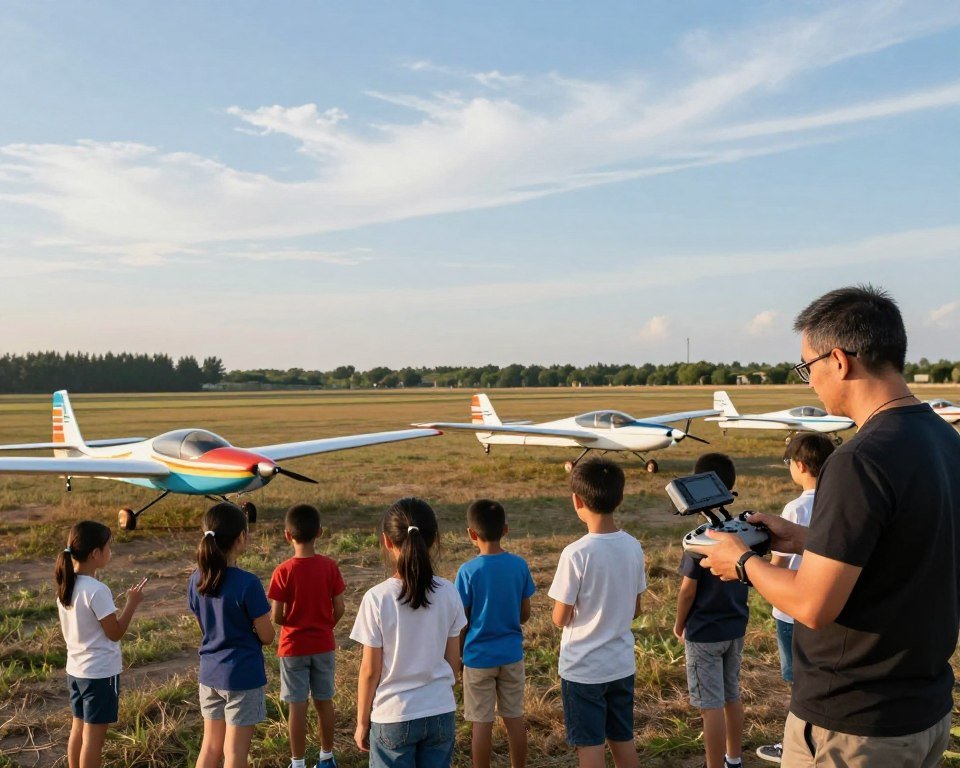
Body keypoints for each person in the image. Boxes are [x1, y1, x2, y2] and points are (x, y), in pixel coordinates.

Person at [693, 285, 960, 768]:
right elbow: (911, 550)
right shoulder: (944, 440)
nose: (809, 381)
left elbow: (813, 605)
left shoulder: (860, 460)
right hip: (923, 710)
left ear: (838, 360)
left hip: (855, 726)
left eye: (806, 366)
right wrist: (807, 540)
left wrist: (743, 561)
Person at [350, 497, 467, 768]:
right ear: (434, 540)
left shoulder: (376, 598)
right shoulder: (449, 592)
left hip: (393, 715)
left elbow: (370, 671)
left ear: (387, 541)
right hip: (440, 711)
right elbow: (453, 663)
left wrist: (361, 721)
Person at [548, 458, 645, 768]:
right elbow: (636, 609)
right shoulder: (633, 546)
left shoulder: (576, 553)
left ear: (577, 501)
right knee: (622, 739)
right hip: (620, 664)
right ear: (619, 498)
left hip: (583, 669)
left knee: (590, 746)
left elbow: (560, 618)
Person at [756, 434, 835, 764]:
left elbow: (779, 561)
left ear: (799, 466)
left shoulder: (796, 507)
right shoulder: (836, 499)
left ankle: (797, 743)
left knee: (797, 681)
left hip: (792, 609)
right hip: (828, 605)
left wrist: (757, 571)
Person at [672, 453, 746, 768]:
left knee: (710, 705)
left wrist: (679, 624)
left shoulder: (698, 542)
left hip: (704, 633)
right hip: (735, 627)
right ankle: (735, 759)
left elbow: (687, 590)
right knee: (732, 696)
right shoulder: (743, 531)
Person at [188, 502, 275, 768]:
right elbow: (267, 635)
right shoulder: (248, 583)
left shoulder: (195, 578)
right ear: (240, 538)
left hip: (210, 673)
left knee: (210, 748)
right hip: (242, 676)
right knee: (235, 754)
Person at [56, 520, 147, 768]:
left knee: (78, 728)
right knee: (93, 740)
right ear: (96, 554)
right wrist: (132, 602)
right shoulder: (97, 590)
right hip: (99, 674)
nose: (111, 552)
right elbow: (115, 632)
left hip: (75, 671)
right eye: (108, 547)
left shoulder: (66, 584)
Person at [455, 499, 535, 768]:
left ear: (471, 534)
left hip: (478, 658)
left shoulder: (467, 572)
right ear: (506, 529)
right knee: (515, 719)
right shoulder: (519, 565)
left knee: (482, 724)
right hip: (512, 655)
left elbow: (462, 622)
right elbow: (525, 614)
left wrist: (457, 657)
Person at [268, 504, 346, 768]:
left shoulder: (283, 571)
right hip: (323, 644)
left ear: (287, 535)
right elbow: (340, 608)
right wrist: (325, 626)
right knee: (325, 701)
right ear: (320, 533)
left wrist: (290, 624)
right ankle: (326, 757)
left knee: (297, 706)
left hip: (292, 647)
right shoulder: (329, 567)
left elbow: (276, 615)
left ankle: (298, 762)